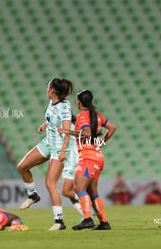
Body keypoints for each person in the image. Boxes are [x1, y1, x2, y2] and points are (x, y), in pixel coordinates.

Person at [17, 78, 74, 230]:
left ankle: (59, 221)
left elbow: (67, 132)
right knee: (22, 167)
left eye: (47, 87)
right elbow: (53, 119)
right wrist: (44, 124)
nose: (46, 89)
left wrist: (63, 151)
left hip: (58, 149)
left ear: (52, 91)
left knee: (50, 183)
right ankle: (33, 195)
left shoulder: (64, 107)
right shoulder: (53, 102)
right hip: (47, 143)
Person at [58, 89, 117, 230]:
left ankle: (87, 219)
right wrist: (102, 142)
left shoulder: (82, 116)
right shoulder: (97, 116)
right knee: (92, 192)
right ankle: (104, 222)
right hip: (97, 156)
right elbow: (112, 128)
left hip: (88, 157)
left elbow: (86, 132)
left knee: (78, 187)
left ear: (79, 102)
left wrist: (68, 131)